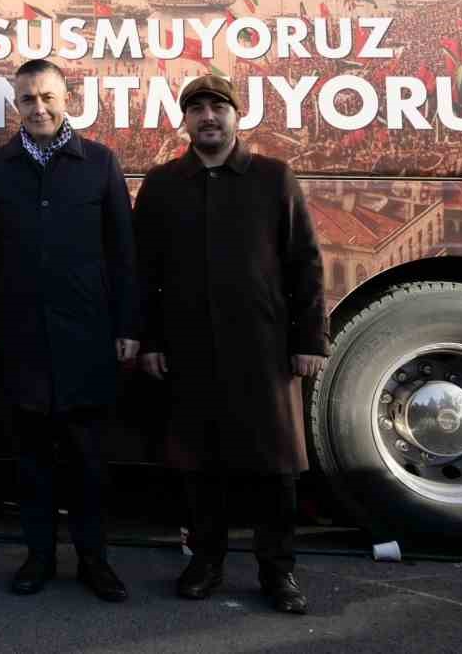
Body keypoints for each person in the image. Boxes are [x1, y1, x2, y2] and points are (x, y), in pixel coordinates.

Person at [133, 73, 327, 615]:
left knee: (273, 468)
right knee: (199, 465)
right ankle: (205, 562)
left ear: (237, 117)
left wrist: (309, 337)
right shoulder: (164, 183)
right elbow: (142, 271)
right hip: (189, 348)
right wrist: (150, 339)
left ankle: (278, 571)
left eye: (218, 107)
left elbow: (304, 263)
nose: (208, 117)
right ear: (186, 121)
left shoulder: (273, 177)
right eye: (196, 109)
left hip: (262, 349)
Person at [0, 58, 140, 602]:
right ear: (15, 106)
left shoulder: (100, 163)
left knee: (88, 461)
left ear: (67, 100)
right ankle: (38, 557)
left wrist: (128, 325)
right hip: (19, 337)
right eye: (27, 100)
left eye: (47, 98)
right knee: (32, 462)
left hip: (87, 337)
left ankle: (95, 561)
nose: (38, 108)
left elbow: (123, 252)